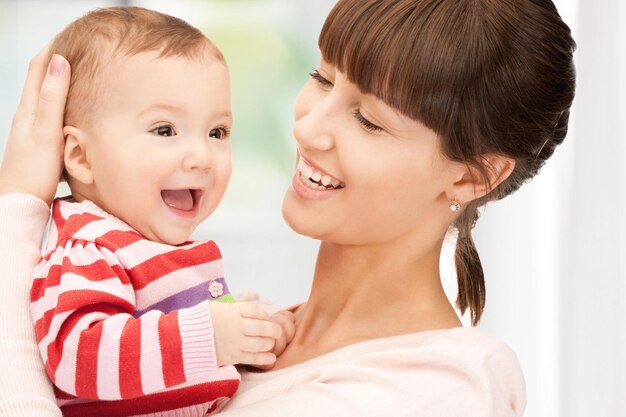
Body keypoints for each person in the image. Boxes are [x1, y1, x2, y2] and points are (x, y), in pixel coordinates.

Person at [0, 0, 576, 416]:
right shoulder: (243, 328)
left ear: (473, 174)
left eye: (369, 120)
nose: (307, 126)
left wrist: (17, 212)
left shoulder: (438, 388)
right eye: (321, 79)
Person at [25, 7, 295, 417]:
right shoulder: (89, 251)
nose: (202, 156)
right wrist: (213, 336)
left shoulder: (151, 245)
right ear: (81, 156)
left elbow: (173, 326)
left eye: (217, 132)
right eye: (165, 130)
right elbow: (79, 357)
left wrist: (251, 325)